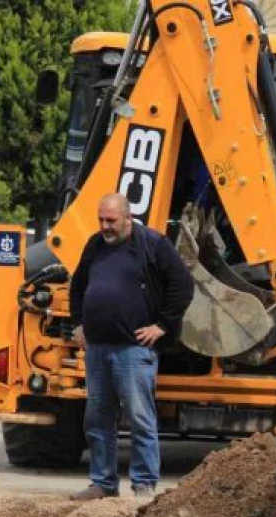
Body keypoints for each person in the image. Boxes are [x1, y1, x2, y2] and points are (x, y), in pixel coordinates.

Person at [68, 193, 194, 501]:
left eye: (111, 221)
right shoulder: (95, 246)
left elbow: (183, 285)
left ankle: (144, 485)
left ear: (127, 217)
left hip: (132, 351)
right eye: (101, 220)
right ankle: (103, 483)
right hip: (97, 348)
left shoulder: (153, 244)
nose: (105, 226)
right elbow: (78, 286)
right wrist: (78, 324)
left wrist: (162, 325)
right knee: (97, 418)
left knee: (140, 418)